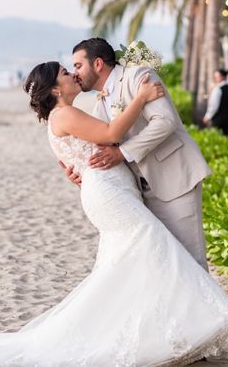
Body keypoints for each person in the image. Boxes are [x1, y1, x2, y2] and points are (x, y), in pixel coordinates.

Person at [0, 62, 228, 367]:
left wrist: (77, 169)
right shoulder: (63, 113)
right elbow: (110, 136)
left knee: (132, 263)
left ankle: (167, 330)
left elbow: (82, 153)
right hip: (109, 195)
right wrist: (141, 98)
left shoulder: (66, 114)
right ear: (55, 89)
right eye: (65, 72)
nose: (72, 74)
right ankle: (189, 327)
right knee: (154, 250)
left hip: (112, 190)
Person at [67, 38, 211, 269]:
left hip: (173, 178)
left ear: (98, 64)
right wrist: (83, 174)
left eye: (77, 65)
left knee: (190, 260)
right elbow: (104, 149)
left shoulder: (138, 77)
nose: (75, 73)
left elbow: (165, 122)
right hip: (141, 191)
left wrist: (123, 153)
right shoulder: (99, 104)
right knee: (165, 262)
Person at [202, 69, 228, 136]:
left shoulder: (217, 89)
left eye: (217, 77)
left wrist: (207, 116)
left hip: (217, 119)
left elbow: (213, 106)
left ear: (222, 77)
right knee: (225, 137)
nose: (215, 79)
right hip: (227, 118)